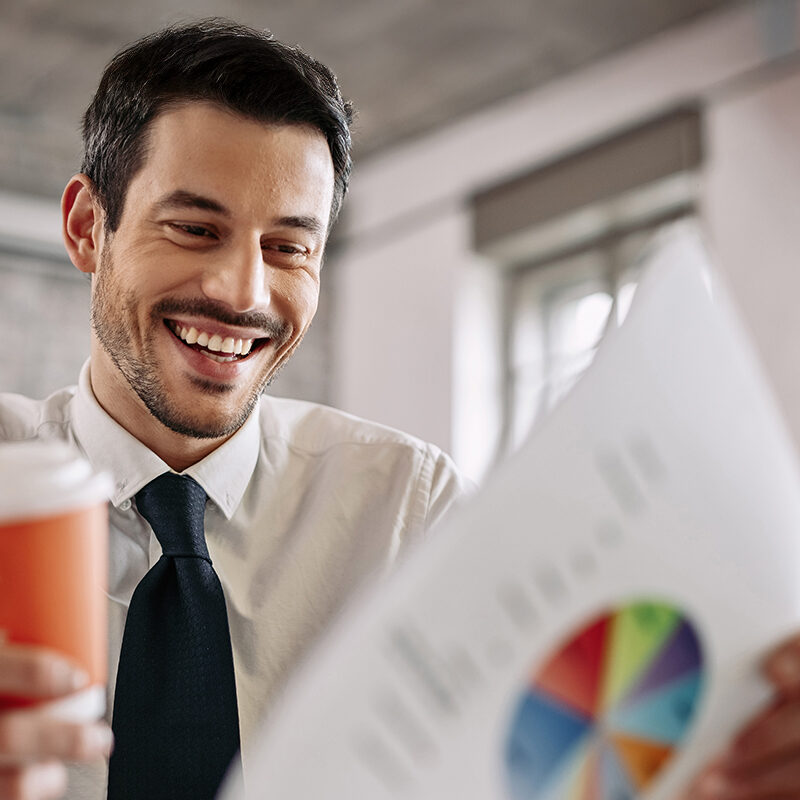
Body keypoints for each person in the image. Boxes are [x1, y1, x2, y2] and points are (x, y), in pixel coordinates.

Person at [0, 17, 798, 800]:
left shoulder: (408, 511)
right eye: (195, 228)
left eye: (289, 248)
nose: (243, 292)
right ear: (86, 228)